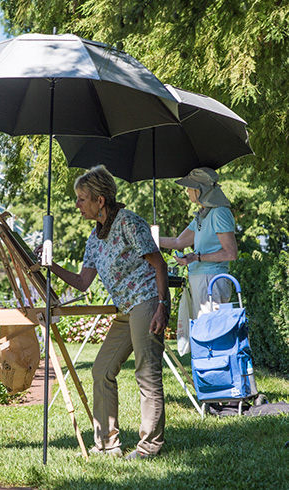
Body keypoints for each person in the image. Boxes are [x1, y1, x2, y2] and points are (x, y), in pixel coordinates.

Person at [36, 165, 170, 460]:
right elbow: (83, 283)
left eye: (82, 198)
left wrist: (162, 306)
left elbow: (160, 265)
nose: (77, 204)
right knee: (101, 370)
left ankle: (150, 447)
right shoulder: (94, 239)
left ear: (100, 200)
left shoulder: (129, 223)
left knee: (147, 375)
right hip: (126, 309)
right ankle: (108, 444)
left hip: (147, 302)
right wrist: (51, 266)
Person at [159, 167, 237, 319]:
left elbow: (231, 253)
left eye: (190, 187)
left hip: (211, 280)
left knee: (210, 333)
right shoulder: (203, 214)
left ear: (199, 190)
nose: (187, 191)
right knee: (203, 332)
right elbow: (178, 241)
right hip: (201, 279)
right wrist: (150, 239)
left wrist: (196, 257)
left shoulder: (219, 212)